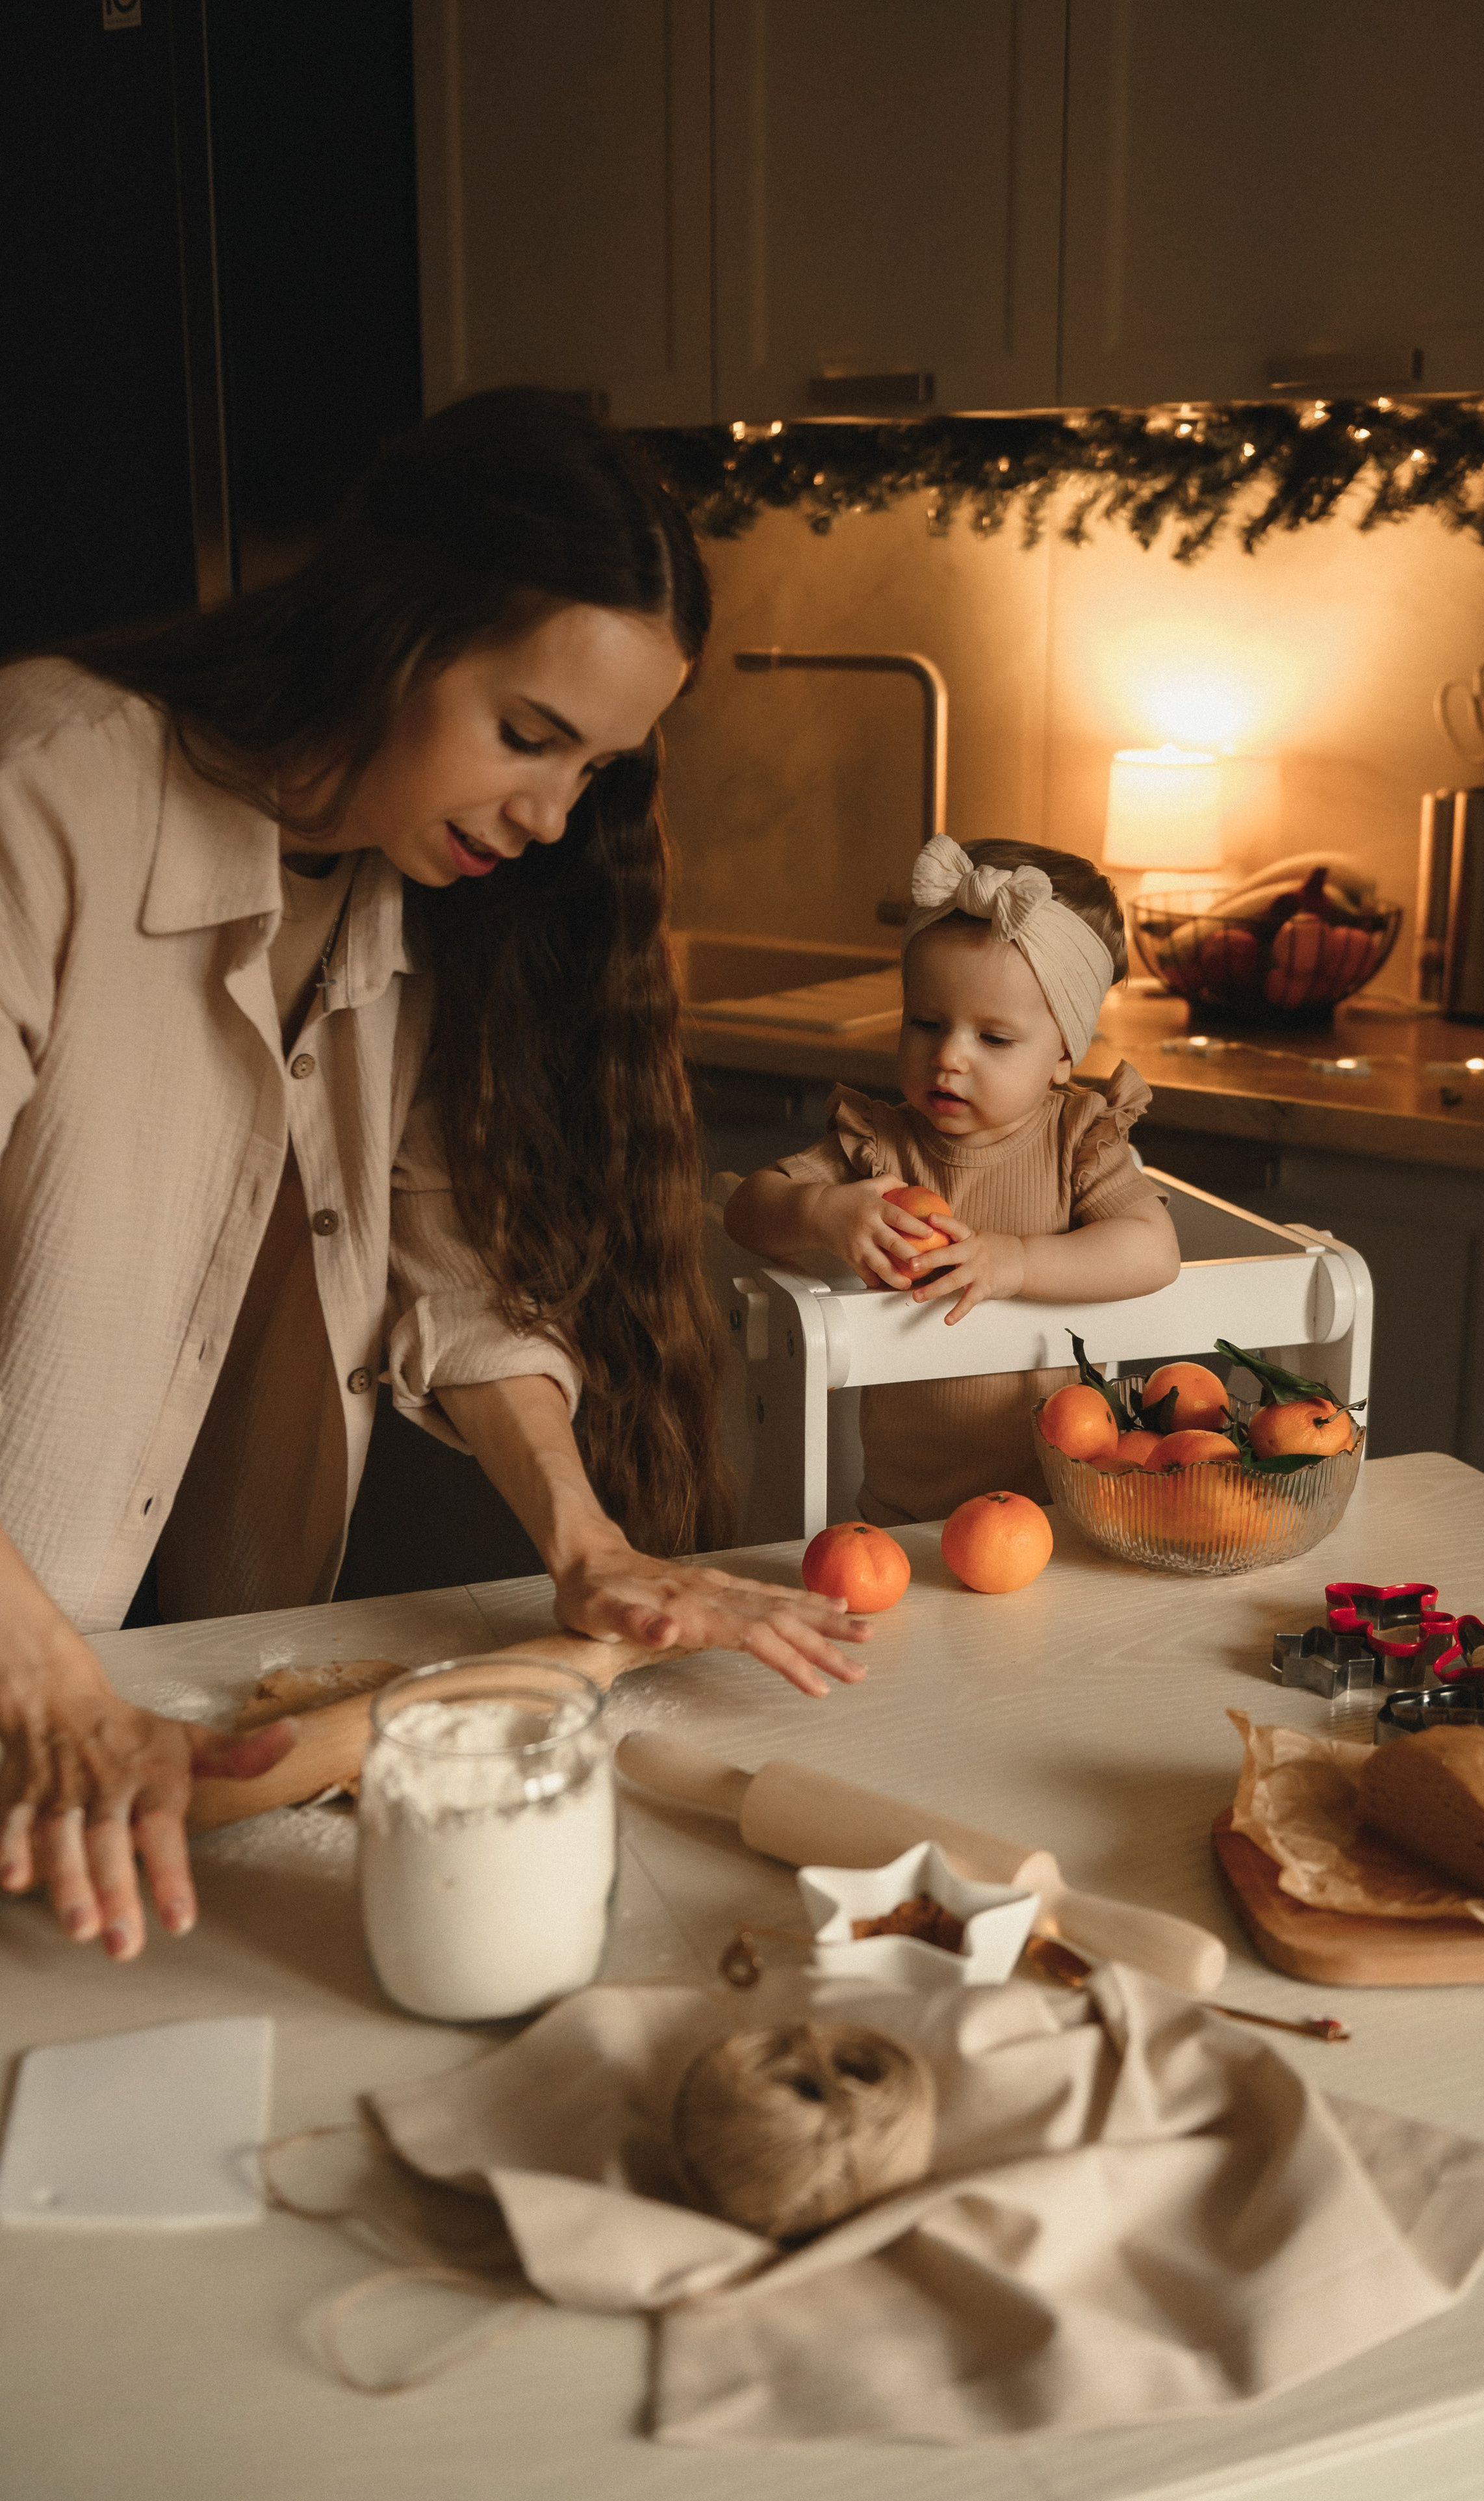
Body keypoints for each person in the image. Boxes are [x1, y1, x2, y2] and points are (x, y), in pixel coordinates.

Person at [0, 391, 867, 1965]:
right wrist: (46, 1682)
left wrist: (587, 1544)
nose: (548, 815)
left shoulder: (401, 886)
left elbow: (444, 1262)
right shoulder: (45, 792)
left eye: (593, 768)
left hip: (137, 1669)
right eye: (527, 735)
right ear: (384, 625)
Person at [723, 836, 1181, 1524]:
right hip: (900, 1513)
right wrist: (822, 1212)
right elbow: (747, 1208)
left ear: (1064, 1053)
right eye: (926, 1022)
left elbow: (1153, 1248)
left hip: (1062, 1511)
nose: (948, 1057)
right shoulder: (881, 1144)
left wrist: (1016, 1260)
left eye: (993, 1038)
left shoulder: (1078, 1138)